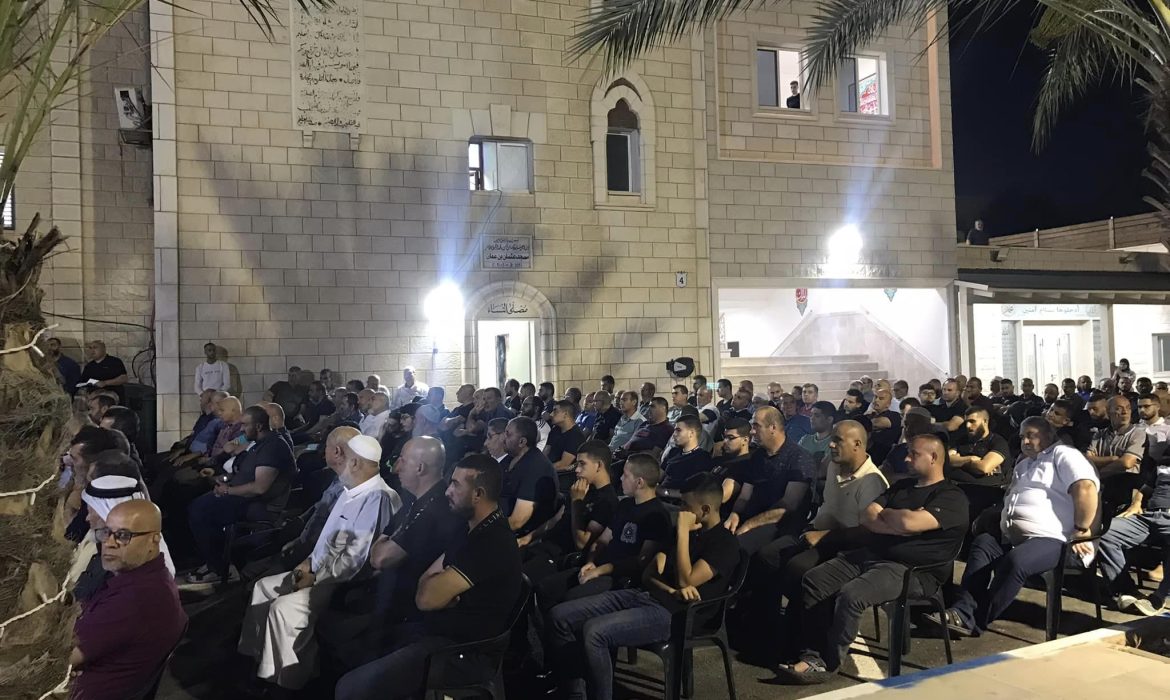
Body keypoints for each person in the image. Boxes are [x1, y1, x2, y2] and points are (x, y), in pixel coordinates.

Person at [776, 434, 968, 684]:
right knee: (815, 580)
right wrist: (900, 522)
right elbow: (868, 515)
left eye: (914, 454)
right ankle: (812, 654)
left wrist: (891, 517)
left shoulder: (951, 497)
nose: (906, 459)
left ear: (933, 457)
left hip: (913, 570)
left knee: (852, 595)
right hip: (872, 555)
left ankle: (828, 663)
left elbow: (907, 522)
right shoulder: (901, 487)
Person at [334, 454, 522, 700]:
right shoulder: (469, 527)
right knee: (350, 650)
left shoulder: (492, 542)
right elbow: (428, 582)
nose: (447, 491)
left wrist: (435, 584)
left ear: (478, 494)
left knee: (349, 688)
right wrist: (437, 585)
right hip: (433, 629)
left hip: (458, 650)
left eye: (455, 485)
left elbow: (425, 599)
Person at [548, 473, 739, 700]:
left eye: (686, 506)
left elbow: (686, 581)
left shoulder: (724, 543)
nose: (681, 511)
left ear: (705, 510)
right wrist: (670, 590)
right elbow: (649, 574)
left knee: (594, 633)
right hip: (645, 595)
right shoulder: (687, 532)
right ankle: (575, 694)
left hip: (676, 615)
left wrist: (682, 533)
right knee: (559, 616)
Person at [239, 435, 401, 690]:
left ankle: (286, 682)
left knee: (284, 609)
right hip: (317, 569)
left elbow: (355, 560)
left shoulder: (377, 498)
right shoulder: (350, 490)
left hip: (341, 582)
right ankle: (259, 661)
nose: (340, 463)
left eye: (346, 459)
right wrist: (306, 563)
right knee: (263, 588)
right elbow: (327, 541)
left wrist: (315, 576)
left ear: (356, 463)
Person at [933, 417, 1099, 636]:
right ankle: (963, 611)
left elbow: (1085, 487)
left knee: (1016, 561)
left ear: (1049, 434)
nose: (1025, 441)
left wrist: (1082, 529)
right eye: (1022, 436)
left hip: (1056, 539)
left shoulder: (1064, 454)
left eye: (1031, 435)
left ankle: (974, 620)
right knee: (983, 544)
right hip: (1013, 537)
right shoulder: (1025, 463)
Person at [740, 421, 887, 661]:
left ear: (857, 444)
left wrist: (823, 536)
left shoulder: (872, 482)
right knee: (768, 555)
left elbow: (867, 532)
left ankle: (802, 641)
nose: (831, 445)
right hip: (817, 531)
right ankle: (766, 622)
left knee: (798, 568)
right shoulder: (834, 466)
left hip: (846, 545)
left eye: (837, 440)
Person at [70, 500, 187, 700]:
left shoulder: (135, 600)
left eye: (123, 535)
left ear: (154, 540)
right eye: (106, 532)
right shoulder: (154, 579)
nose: (109, 543)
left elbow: (59, 659)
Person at [534, 454, 672, 612]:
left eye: (625, 475)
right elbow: (603, 540)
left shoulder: (657, 515)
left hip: (618, 578)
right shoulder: (626, 505)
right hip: (599, 567)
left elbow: (640, 561)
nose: (621, 478)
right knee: (545, 587)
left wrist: (600, 570)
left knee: (569, 600)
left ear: (639, 482)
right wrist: (591, 561)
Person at [185, 405, 296, 585]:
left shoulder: (273, 446)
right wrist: (225, 480)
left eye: (245, 425)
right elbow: (243, 468)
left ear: (258, 426)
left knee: (201, 512)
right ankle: (214, 560)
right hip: (241, 496)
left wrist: (227, 490)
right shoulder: (258, 442)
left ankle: (220, 568)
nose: (241, 429)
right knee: (195, 503)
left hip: (258, 505)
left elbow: (259, 488)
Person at [725, 407, 815, 553]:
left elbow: (789, 505)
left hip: (779, 524)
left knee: (733, 549)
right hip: (751, 517)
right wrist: (735, 514)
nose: (752, 431)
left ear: (773, 428)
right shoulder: (758, 456)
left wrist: (750, 525)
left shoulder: (799, 458)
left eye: (756, 426)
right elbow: (745, 496)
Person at [501, 416, 558, 535]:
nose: (503, 438)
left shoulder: (536, 467)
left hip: (519, 533)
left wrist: (487, 530)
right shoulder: (510, 458)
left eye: (508, 434)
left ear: (522, 442)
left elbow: (517, 521)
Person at [659, 415, 714, 491]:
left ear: (691, 433)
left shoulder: (702, 458)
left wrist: (665, 492)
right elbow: (660, 475)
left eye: (678, 430)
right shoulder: (673, 452)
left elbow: (694, 491)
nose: (674, 434)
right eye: (674, 430)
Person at [545, 399, 587, 474]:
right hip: (548, 470)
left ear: (565, 414)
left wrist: (541, 469)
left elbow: (563, 464)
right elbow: (546, 451)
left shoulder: (576, 436)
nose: (551, 414)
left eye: (555, 411)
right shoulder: (556, 430)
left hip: (562, 476)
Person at [865, 387, 902, 464]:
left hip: (883, 457)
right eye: (875, 397)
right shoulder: (868, 415)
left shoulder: (894, 416)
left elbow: (876, 423)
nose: (876, 400)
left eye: (881, 398)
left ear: (888, 404)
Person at [798, 401, 836, 465]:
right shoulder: (805, 439)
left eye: (817, 416)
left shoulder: (835, 443)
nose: (811, 418)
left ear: (829, 419)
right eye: (811, 415)